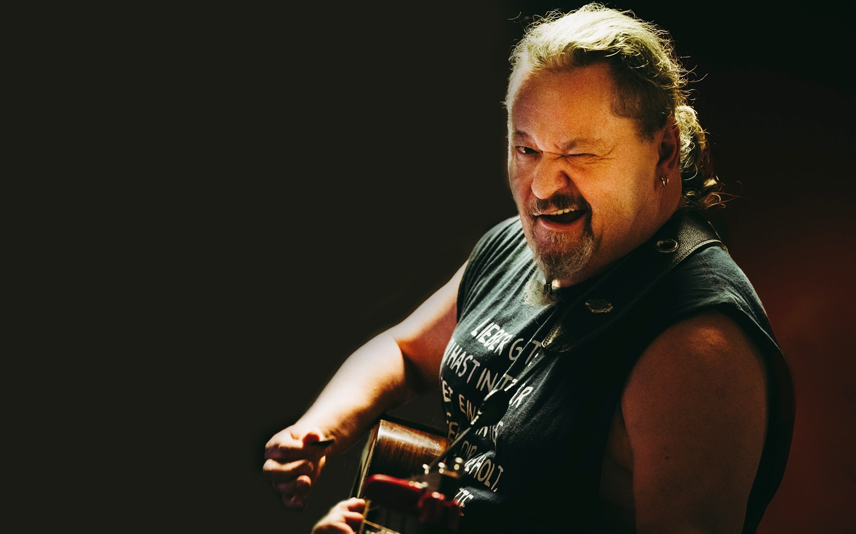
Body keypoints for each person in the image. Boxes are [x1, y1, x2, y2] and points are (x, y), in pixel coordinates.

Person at [263, 4, 794, 533]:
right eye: (526, 149)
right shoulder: (518, 246)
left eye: (578, 154)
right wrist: (318, 432)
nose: (541, 187)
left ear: (664, 151)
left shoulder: (696, 347)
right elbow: (406, 352)